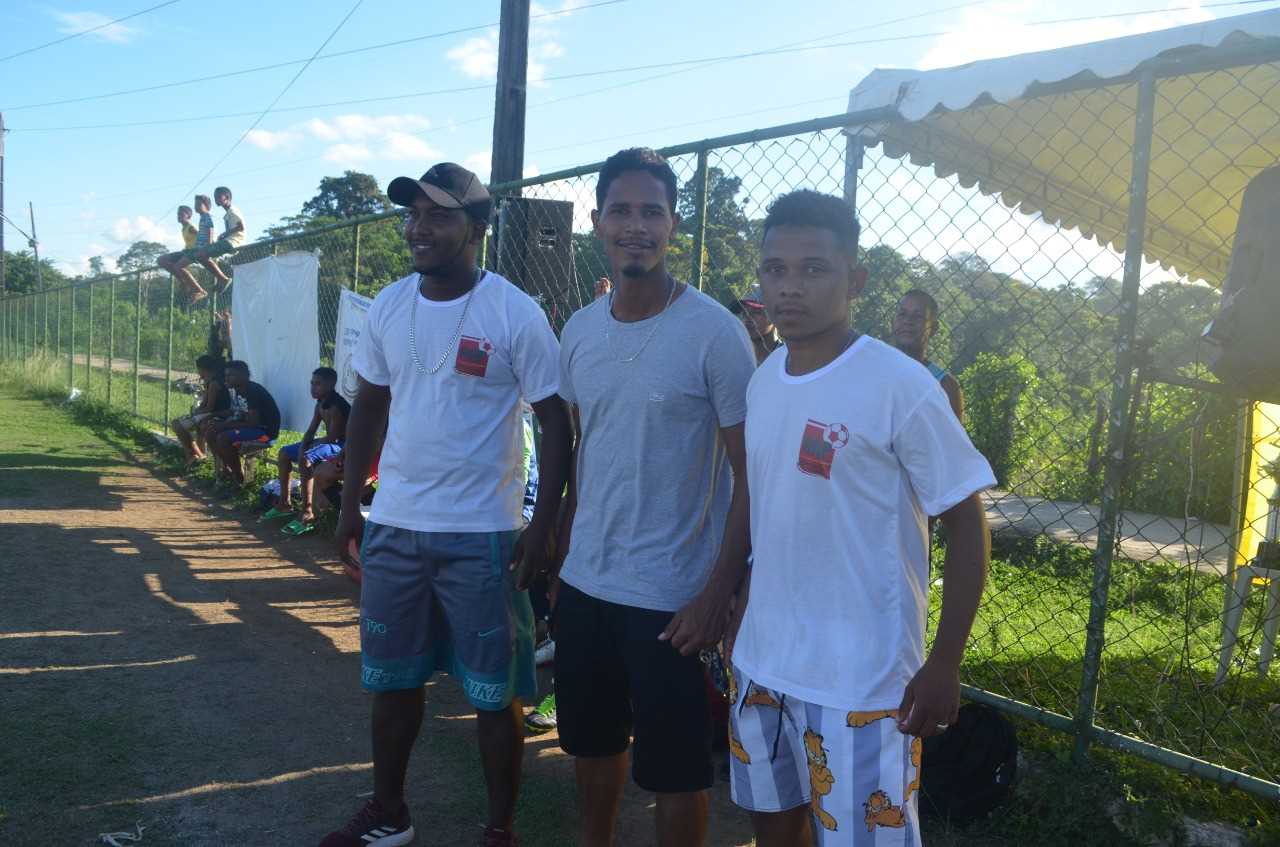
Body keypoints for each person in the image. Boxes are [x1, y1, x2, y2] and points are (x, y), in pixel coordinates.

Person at [724, 190, 995, 847]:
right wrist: (727, 601)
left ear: (856, 279)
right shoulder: (764, 381)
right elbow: (759, 501)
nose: (790, 287)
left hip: (863, 683)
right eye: (775, 269)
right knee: (774, 826)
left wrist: (945, 661)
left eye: (813, 268)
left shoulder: (900, 385)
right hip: (762, 664)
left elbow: (967, 524)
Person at [322, 162, 572, 847]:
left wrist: (542, 524)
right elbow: (369, 404)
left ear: (476, 228)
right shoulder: (390, 305)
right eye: (412, 215)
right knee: (391, 680)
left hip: (484, 535)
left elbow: (555, 422)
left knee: (496, 694)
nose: (418, 228)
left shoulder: (513, 311)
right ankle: (390, 811)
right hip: (397, 527)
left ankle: (499, 828)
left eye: (437, 215)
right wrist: (352, 503)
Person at [553, 147, 755, 847]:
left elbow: (749, 473)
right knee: (592, 744)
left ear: (674, 226)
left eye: (651, 212)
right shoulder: (579, 330)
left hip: (672, 597)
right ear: (597, 221)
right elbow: (590, 449)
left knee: (676, 774)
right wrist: (561, 553)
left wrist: (719, 590)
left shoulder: (714, 333)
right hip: (585, 584)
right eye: (621, 211)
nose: (635, 226)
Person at [262, 367, 350, 534]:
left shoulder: (337, 406)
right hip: (328, 443)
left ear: (331, 385)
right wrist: (304, 444)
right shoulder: (320, 404)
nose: (313, 388)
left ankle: (308, 510)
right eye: (312, 383)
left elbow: (333, 438)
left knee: (306, 458)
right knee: (284, 453)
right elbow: (311, 430)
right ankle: (284, 504)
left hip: (341, 447)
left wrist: (309, 447)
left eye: (318, 384)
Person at [892, 289, 964, 421]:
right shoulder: (874, 367)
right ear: (893, 321)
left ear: (933, 328)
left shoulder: (945, 386)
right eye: (902, 314)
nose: (908, 321)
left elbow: (951, 440)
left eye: (918, 317)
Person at [208, 360, 282, 489]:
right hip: (253, 429)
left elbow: (253, 423)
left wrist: (225, 426)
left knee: (223, 437)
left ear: (244, 376)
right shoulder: (238, 390)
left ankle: (239, 479)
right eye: (226, 375)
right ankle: (226, 470)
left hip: (265, 434)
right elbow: (239, 413)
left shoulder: (252, 391)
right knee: (211, 432)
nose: (227, 378)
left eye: (231, 375)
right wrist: (216, 419)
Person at [172, 354, 232, 466]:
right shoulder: (209, 381)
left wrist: (196, 413)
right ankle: (197, 456)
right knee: (177, 423)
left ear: (203, 369)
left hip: (216, 414)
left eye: (198, 369)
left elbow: (209, 407)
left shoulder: (214, 383)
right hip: (209, 413)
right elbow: (204, 404)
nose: (198, 373)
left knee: (178, 425)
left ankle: (195, 456)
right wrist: (196, 412)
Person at [729, 284, 781, 365]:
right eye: (744, 312)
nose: (748, 318)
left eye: (757, 312)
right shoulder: (734, 357)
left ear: (774, 317)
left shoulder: (789, 358)